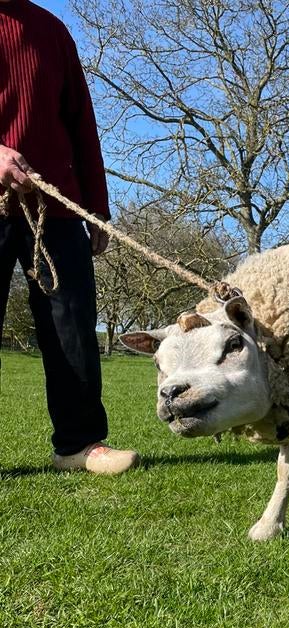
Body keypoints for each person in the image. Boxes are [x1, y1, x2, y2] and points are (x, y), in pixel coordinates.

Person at [0, 0, 139, 474]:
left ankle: (79, 445)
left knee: (73, 325)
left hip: (55, 205)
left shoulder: (52, 30)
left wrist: (97, 206)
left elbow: (81, 121)